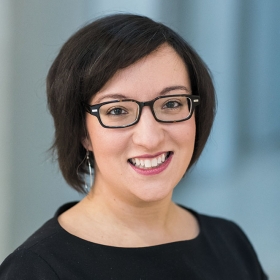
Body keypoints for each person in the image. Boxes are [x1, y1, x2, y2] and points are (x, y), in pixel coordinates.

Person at [0, 14, 267, 279]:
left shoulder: (230, 243)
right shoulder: (36, 270)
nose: (149, 138)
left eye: (172, 104)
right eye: (117, 110)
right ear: (82, 132)